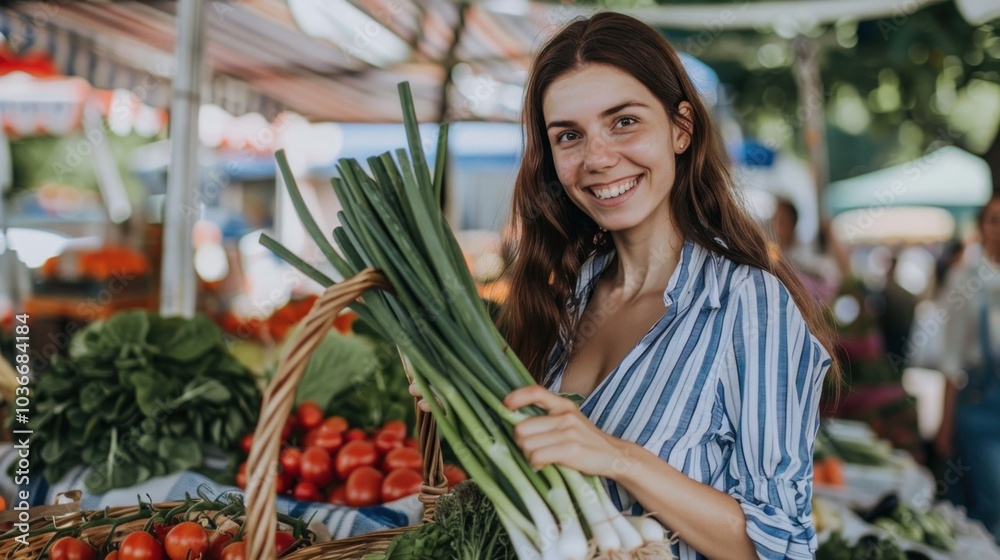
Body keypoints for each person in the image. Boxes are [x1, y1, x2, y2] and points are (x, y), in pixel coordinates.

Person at [414, 12, 837, 559]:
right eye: (569, 135)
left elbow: (785, 545)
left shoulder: (748, 303)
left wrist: (618, 457)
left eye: (624, 122)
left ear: (681, 129)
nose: (597, 158)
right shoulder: (568, 295)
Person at [936, 195, 1000, 543]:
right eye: (993, 220)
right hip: (980, 403)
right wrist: (946, 423)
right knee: (993, 500)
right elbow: (951, 359)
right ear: (982, 227)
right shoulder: (966, 279)